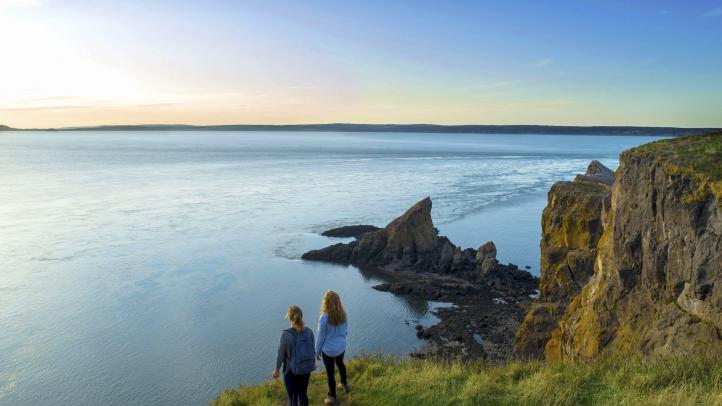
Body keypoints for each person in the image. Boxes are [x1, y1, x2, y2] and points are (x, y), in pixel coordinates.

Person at [273, 305, 316, 406]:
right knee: (303, 395)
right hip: (306, 369)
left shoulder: (285, 335)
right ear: (301, 316)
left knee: (293, 398)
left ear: (290, 318)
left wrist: (277, 370)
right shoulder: (309, 332)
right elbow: (312, 349)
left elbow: (280, 354)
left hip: (291, 371)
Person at [315, 291, 349, 405]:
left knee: (330, 373)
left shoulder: (324, 318)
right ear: (338, 302)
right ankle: (344, 384)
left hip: (329, 350)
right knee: (340, 364)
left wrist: (317, 352)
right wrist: (342, 343)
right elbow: (345, 332)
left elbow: (320, 337)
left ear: (326, 302)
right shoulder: (344, 315)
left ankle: (332, 397)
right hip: (341, 346)